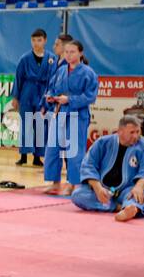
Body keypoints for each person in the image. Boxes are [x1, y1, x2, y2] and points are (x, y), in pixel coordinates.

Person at [43, 40, 98, 196]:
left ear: (80, 53)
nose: (68, 55)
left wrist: (70, 100)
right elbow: (52, 88)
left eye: (72, 52)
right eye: (66, 52)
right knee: (52, 148)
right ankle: (54, 182)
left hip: (77, 114)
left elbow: (90, 96)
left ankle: (74, 184)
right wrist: (50, 97)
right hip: (59, 112)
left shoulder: (88, 73)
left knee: (73, 151)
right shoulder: (60, 71)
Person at [71, 116, 144, 221]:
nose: (136, 136)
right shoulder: (102, 142)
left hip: (128, 190)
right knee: (78, 195)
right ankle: (119, 207)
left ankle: (131, 208)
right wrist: (98, 188)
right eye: (132, 132)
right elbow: (88, 165)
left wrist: (139, 186)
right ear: (120, 131)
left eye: (138, 131)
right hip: (104, 190)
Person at [11, 29, 56, 167]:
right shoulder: (25, 58)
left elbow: (54, 79)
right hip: (27, 92)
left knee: (41, 125)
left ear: (45, 40)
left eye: (39, 40)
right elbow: (18, 78)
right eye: (34, 40)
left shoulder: (51, 58)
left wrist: (52, 96)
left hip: (44, 92)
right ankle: (23, 155)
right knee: (26, 124)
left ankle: (38, 157)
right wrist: (16, 97)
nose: (36, 43)